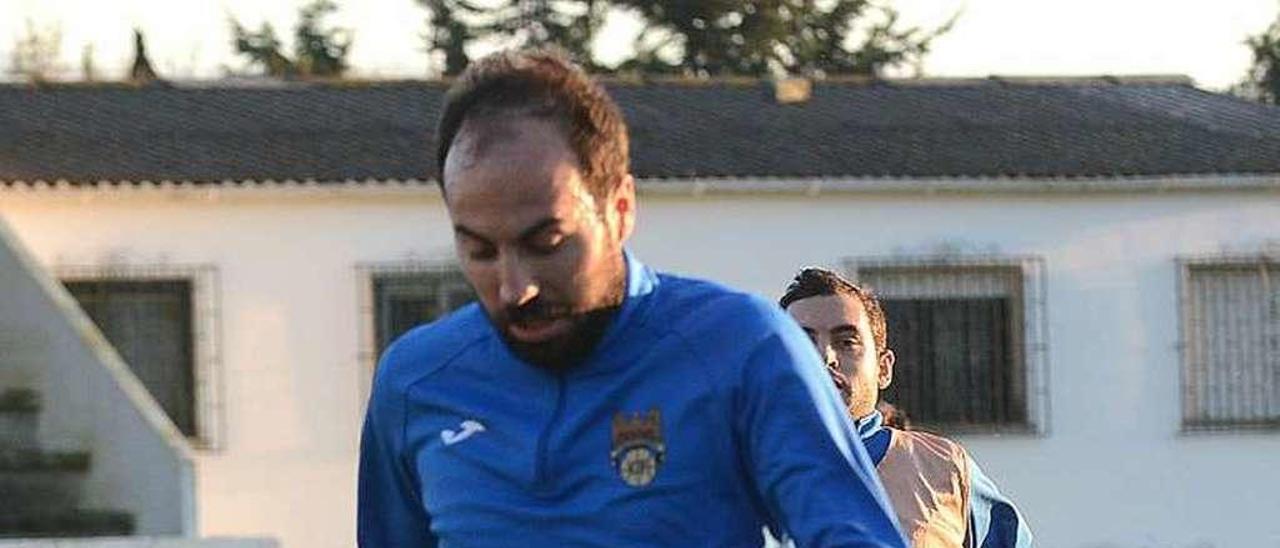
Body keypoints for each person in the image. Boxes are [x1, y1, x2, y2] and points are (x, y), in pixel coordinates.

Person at [358, 50, 906, 547]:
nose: (514, 287)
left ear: (620, 209)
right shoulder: (414, 381)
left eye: (546, 244)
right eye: (478, 250)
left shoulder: (743, 347)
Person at [780, 267, 1034, 548]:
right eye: (803, 341)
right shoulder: (737, 471)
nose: (825, 357)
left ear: (884, 368)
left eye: (846, 342)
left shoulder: (945, 469)